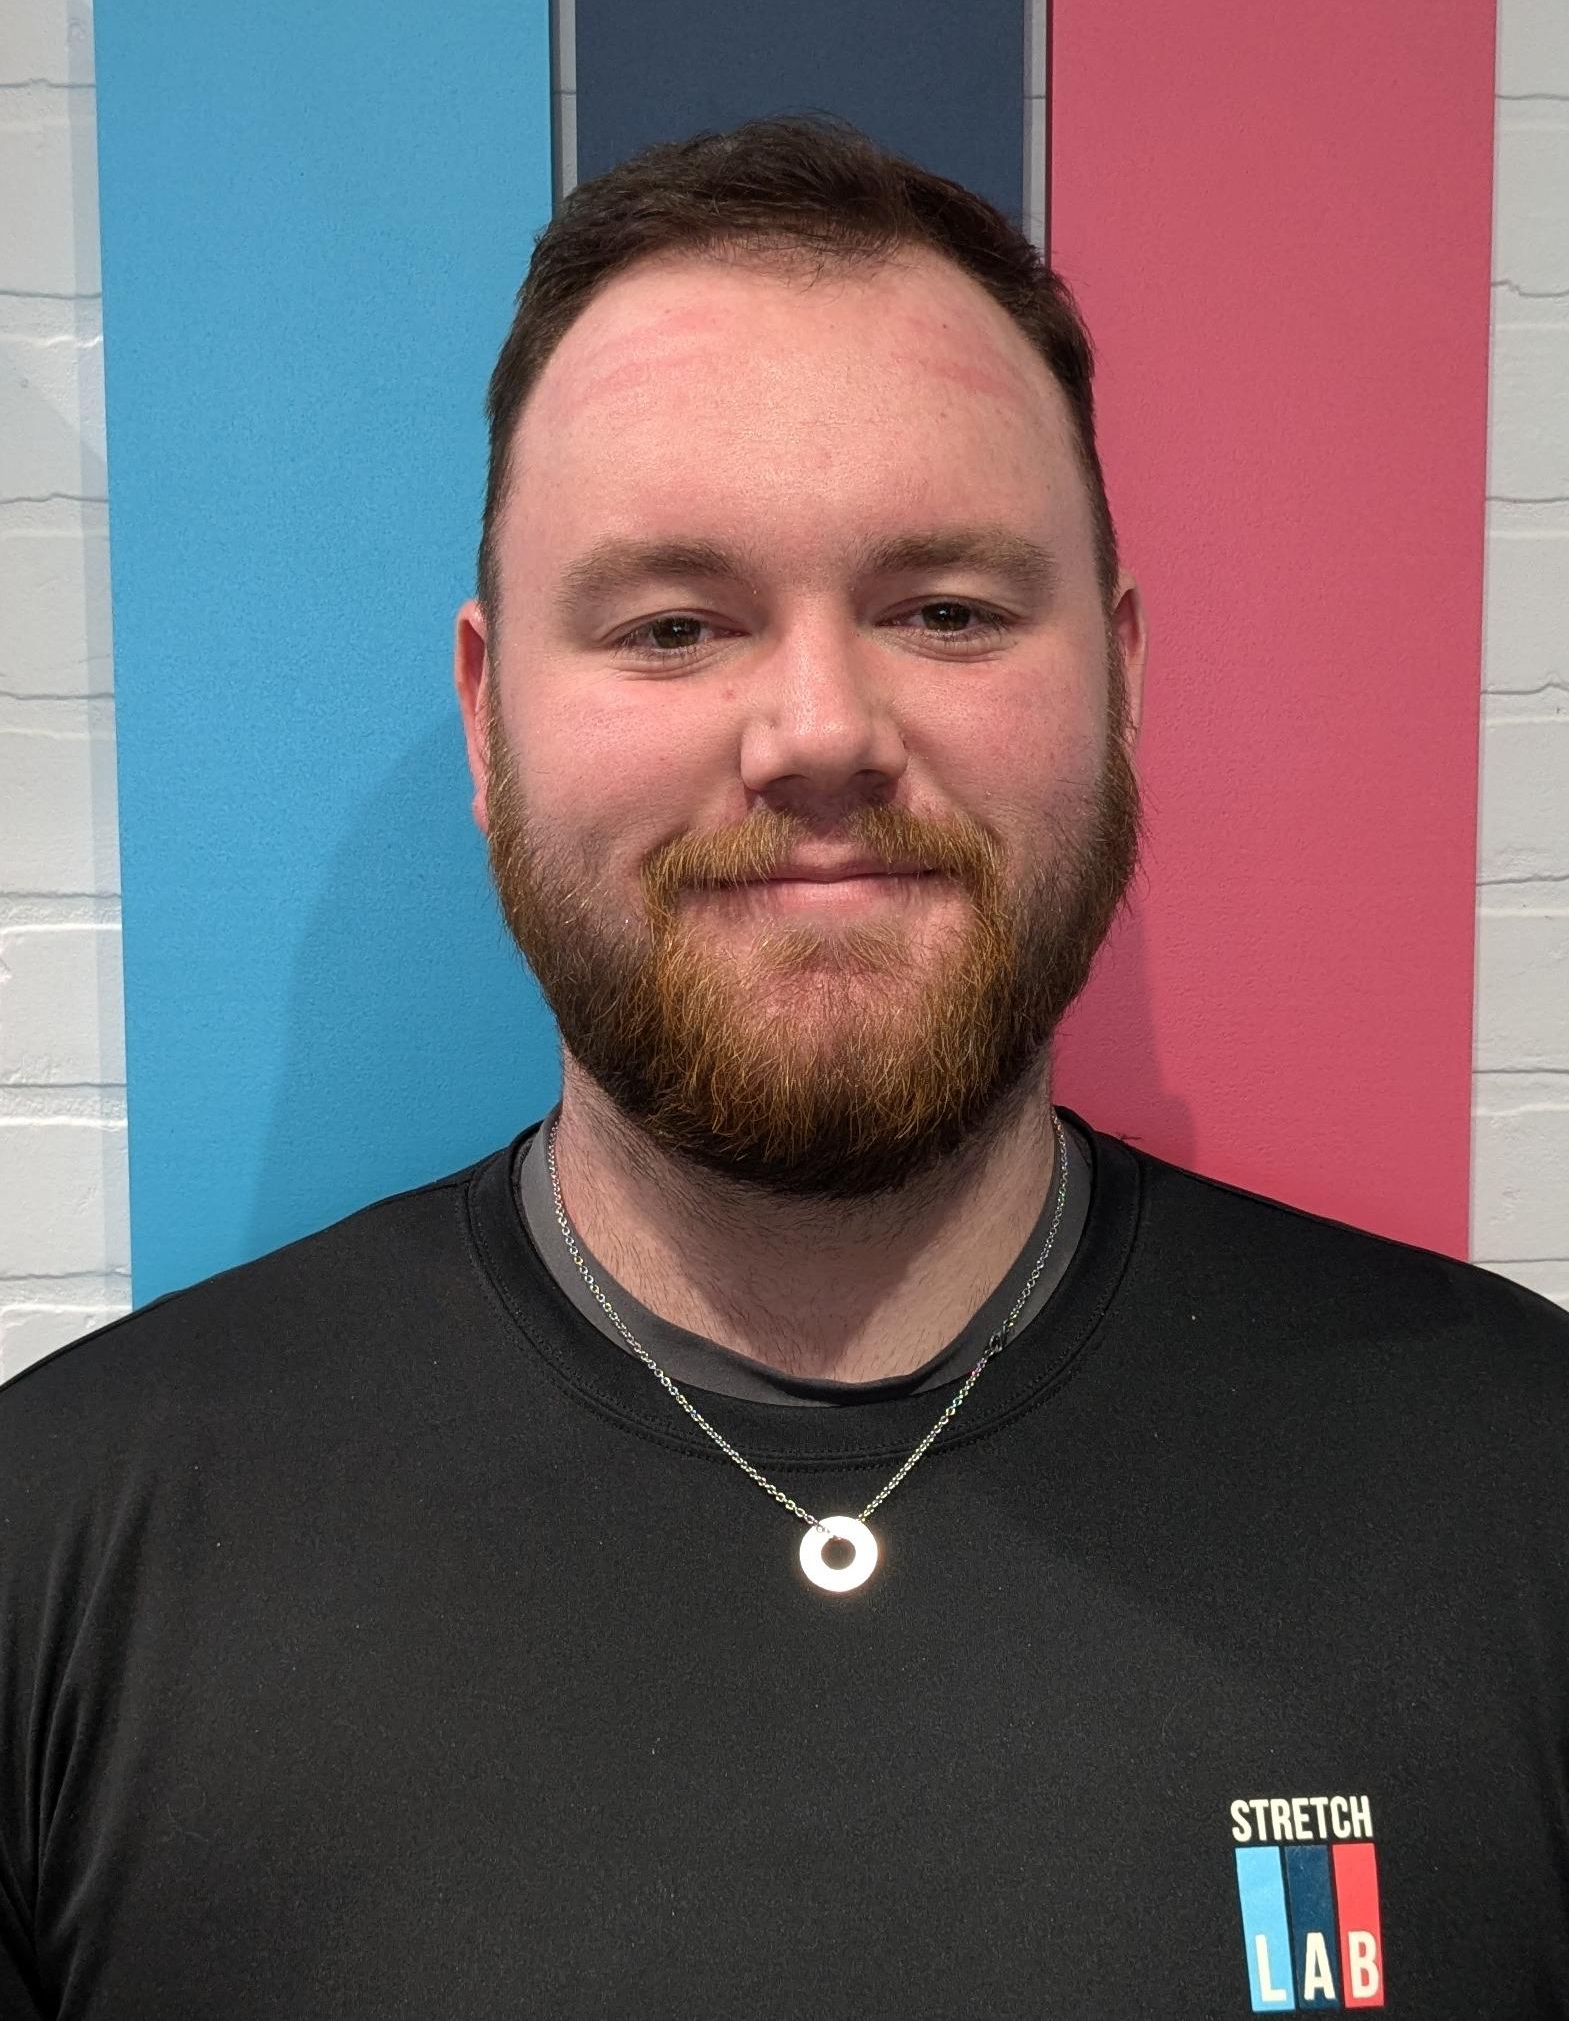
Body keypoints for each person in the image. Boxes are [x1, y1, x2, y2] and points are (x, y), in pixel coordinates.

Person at [1, 115, 1565, 2021]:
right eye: (673, 626)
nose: (819, 730)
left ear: (1123, 682)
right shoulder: (64, 1552)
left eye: (947, 612)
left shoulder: (1518, 1492)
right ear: (488, 722)